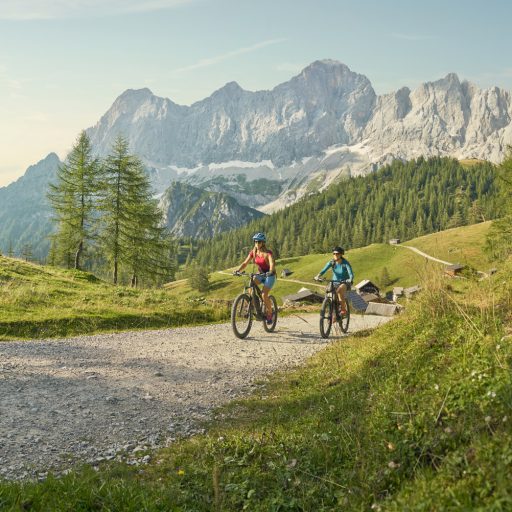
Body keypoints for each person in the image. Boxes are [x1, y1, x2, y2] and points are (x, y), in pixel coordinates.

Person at [235, 232, 276, 324]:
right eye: (255, 242)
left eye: (259, 242)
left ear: (263, 243)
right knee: (250, 286)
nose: (257, 243)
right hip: (260, 274)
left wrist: (270, 271)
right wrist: (238, 270)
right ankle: (254, 303)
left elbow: (272, 263)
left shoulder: (268, 253)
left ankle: (270, 313)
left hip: (270, 275)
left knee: (264, 295)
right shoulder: (253, 252)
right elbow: (245, 263)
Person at [314, 246, 354, 315]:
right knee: (329, 294)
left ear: (341, 254)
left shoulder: (345, 263)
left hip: (345, 282)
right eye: (334, 254)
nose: (335, 255)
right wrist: (318, 276)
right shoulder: (332, 262)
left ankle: (343, 309)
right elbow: (324, 270)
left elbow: (351, 273)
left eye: (337, 253)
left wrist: (350, 279)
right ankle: (333, 311)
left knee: (339, 291)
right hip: (335, 282)